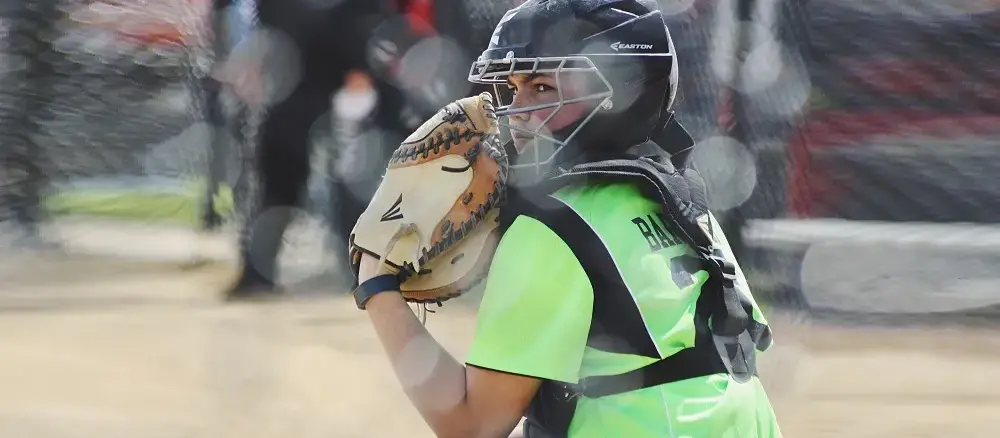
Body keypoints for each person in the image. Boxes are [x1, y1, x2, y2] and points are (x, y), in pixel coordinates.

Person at [352, 1, 782, 437]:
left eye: (542, 87)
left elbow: (471, 424)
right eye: (514, 87)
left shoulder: (550, 229)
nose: (517, 111)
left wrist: (376, 282)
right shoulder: (681, 198)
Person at [217, 0, 414, 299]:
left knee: (350, 178)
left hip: (320, 73)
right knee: (293, 178)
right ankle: (261, 275)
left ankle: (367, 270)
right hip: (307, 73)